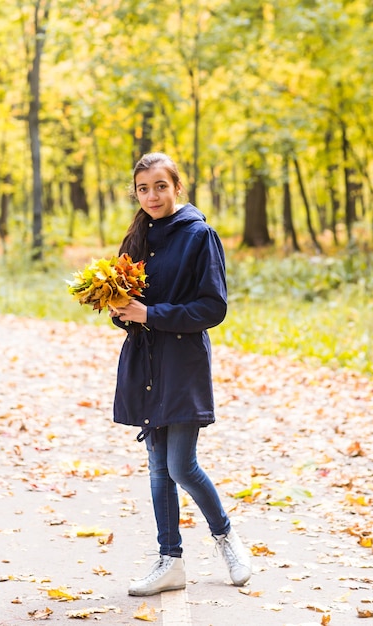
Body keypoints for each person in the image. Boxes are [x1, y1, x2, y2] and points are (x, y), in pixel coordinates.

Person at [109, 152, 252, 596]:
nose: (152, 195)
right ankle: (170, 561)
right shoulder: (134, 238)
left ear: (177, 188)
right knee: (156, 467)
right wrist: (119, 311)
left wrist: (150, 313)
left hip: (183, 361)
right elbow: (124, 308)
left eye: (160, 186)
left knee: (180, 464)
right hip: (145, 360)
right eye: (143, 188)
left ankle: (227, 538)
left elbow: (213, 307)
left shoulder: (199, 236)